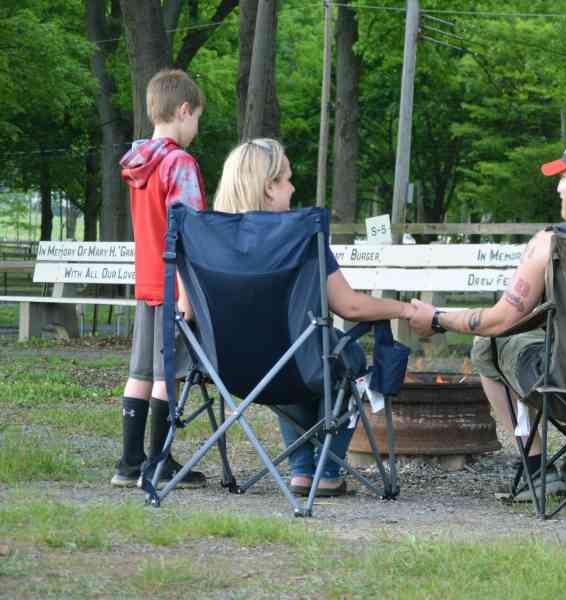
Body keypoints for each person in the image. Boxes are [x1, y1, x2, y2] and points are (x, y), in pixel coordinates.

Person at [412, 135, 566, 500]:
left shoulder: (552, 242)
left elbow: (500, 321)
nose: (558, 186)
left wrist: (437, 317)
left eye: (563, 177)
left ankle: (535, 467)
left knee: (488, 344)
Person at [213, 138, 429, 497]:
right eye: (286, 179)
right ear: (268, 187)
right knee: (345, 359)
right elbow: (351, 307)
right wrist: (405, 309)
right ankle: (328, 471)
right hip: (298, 362)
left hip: (230, 369)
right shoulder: (300, 237)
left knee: (289, 359)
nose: (293, 187)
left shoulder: (209, 238)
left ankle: (301, 470)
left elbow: (187, 312)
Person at [111, 69, 208, 488]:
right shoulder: (179, 163)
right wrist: (189, 293)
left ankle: (129, 463)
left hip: (147, 282)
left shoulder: (137, 162)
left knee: (141, 372)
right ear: (183, 111)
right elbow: (190, 235)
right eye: (197, 118)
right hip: (175, 285)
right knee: (169, 375)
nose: (196, 129)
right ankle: (159, 463)